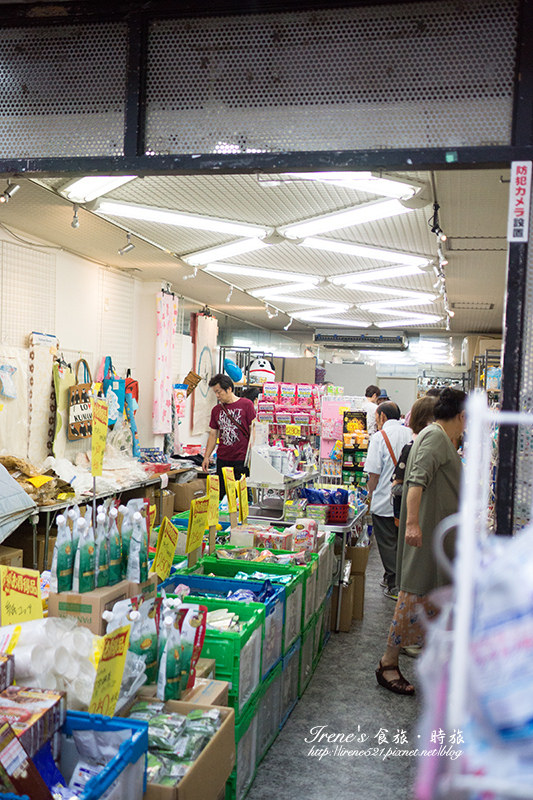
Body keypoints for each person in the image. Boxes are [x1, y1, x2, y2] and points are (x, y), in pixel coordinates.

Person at [375, 387, 467, 696]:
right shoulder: (436, 437)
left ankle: (435, 668)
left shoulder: (439, 438)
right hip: (425, 538)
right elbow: (415, 481)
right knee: (413, 596)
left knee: (429, 599)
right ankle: (388, 664)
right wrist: (413, 524)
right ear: (462, 415)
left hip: (435, 538)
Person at [364, 401, 412, 599]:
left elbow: (374, 473)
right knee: (401, 542)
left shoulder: (379, 437)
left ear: (382, 417)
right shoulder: (411, 433)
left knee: (387, 542)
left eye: (376, 418)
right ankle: (395, 578)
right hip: (407, 498)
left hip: (385, 497)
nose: (376, 422)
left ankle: (394, 584)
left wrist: (369, 494)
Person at [201, 374, 256, 498]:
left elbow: (254, 430)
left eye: (219, 392)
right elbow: (213, 434)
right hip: (222, 459)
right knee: (222, 495)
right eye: (215, 392)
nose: (217, 396)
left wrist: (253, 456)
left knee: (239, 497)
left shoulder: (246, 405)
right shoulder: (216, 410)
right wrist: (206, 457)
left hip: (241, 459)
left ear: (229, 389)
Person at [390, 395, 438, 525]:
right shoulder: (419, 446)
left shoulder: (419, 445)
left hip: (416, 516)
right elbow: (397, 486)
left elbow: (396, 485)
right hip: (417, 516)